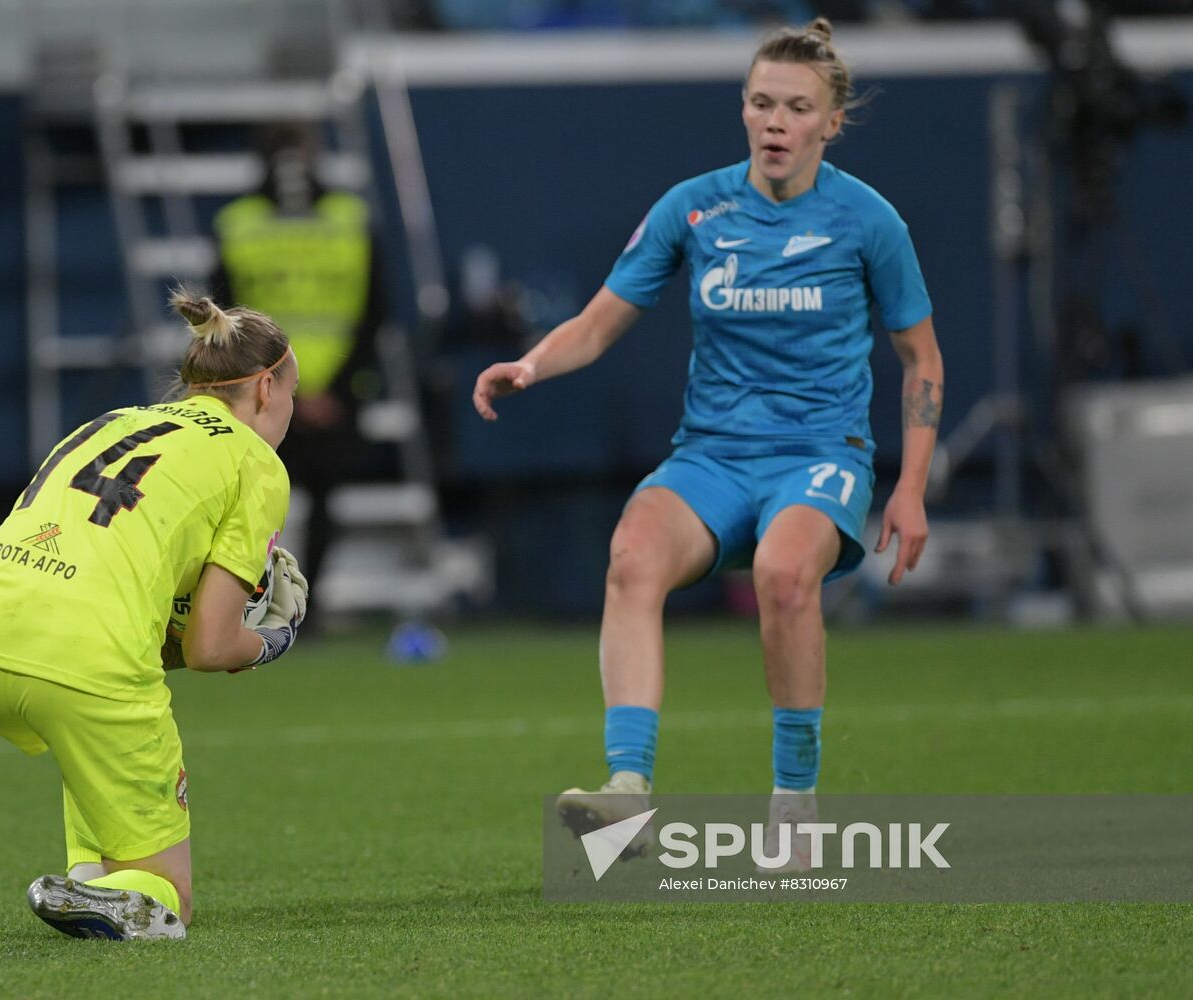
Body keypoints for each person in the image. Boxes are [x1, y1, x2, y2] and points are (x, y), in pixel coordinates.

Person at [472, 18, 943, 869]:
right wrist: (533, 366)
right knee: (630, 558)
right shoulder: (694, 205)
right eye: (761, 102)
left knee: (783, 575)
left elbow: (920, 356)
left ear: (831, 123)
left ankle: (794, 801)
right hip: (713, 456)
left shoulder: (869, 222)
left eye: (796, 108)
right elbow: (602, 320)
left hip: (819, 454)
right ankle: (625, 793)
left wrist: (909, 487)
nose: (775, 121)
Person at [0, 289, 309, 939]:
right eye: (292, 398)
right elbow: (210, 648)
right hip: (81, 652)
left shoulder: (112, 422)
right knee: (167, 903)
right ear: (266, 389)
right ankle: (124, 893)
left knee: (87, 727)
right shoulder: (256, 463)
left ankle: (89, 882)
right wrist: (276, 637)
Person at [212, 122, 387, 631]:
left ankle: (296, 607)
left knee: (302, 498)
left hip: (283, 389)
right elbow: (226, 316)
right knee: (259, 503)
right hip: (288, 389)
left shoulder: (338, 218)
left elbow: (376, 310)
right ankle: (264, 604)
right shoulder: (248, 222)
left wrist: (299, 391)